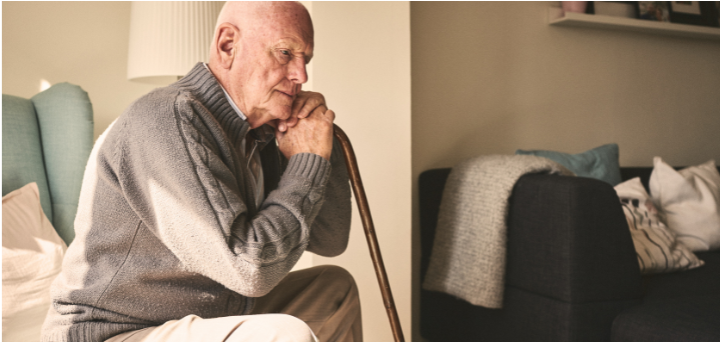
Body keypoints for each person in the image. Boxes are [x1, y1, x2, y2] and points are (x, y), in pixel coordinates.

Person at [41, 2, 361, 341]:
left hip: (206, 316)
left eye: (305, 59)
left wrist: (318, 143)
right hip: (115, 331)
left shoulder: (261, 130)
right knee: (281, 334)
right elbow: (250, 270)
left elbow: (331, 238)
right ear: (227, 45)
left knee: (333, 289)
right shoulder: (167, 119)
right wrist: (305, 162)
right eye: (285, 53)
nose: (301, 75)